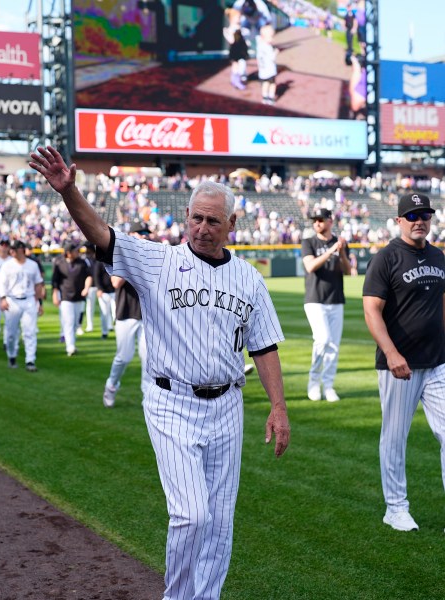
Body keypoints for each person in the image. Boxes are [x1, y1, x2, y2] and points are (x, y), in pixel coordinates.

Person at [29, 146, 290, 600]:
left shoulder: (249, 278)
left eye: (214, 221)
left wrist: (279, 407)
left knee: (220, 520)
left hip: (228, 404)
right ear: (186, 217)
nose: (204, 228)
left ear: (232, 226)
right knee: (192, 514)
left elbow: (264, 345)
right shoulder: (159, 261)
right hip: (172, 401)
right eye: (197, 219)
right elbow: (101, 232)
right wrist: (69, 192)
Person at [362, 192, 445, 532]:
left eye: (424, 214)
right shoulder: (386, 258)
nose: (419, 220)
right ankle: (395, 508)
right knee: (395, 439)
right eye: (412, 215)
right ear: (398, 220)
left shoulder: (439, 256)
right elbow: (371, 309)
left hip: (438, 363)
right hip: (400, 367)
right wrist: (392, 353)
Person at [301, 208, 351, 402]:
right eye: (315, 220)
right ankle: (313, 382)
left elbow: (347, 271)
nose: (317, 223)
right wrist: (331, 250)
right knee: (323, 339)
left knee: (334, 346)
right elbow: (310, 266)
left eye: (321, 220)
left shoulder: (340, 243)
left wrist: (342, 253)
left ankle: (328, 385)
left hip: (336, 298)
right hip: (315, 298)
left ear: (330, 221)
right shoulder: (309, 242)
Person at [102, 221, 153, 408]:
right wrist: (134, 260)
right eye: (141, 232)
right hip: (126, 312)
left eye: (146, 232)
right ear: (131, 234)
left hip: (147, 314)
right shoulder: (122, 255)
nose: (145, 235)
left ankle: (147, 397)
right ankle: (111, 386)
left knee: (148, 358)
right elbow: (116, 282)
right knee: (123, 356)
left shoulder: (152, 255)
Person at [0, 240, 44, 372]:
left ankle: (30, 360)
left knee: (30, 331)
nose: (11, 252)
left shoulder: (32, 265)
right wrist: (3, 298)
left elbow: (38, 283)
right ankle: (11, 356)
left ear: (21, 250)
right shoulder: (7, 265)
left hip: (28, 299)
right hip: (12, 300)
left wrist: (38, 302)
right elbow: (1, 283)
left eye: (14, 249)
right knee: (11, 333)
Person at [51, 240, 93, 357]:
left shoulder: (82, 263)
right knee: (68, 322)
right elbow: (55, 282)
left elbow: (89, 276)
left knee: (75, 324)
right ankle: (70, 347)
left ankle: (72, 343)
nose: (78, 252)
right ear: (68, 253)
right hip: (65, 297)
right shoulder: (59, 263)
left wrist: (86, 288)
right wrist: (55, 295)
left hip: (79, 297)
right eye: (75, 250)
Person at [256, 24, 278, 105]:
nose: (272, 39)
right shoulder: (268, 47)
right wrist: (275, 52)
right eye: (271, 36)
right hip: (270, 70)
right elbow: (272, 58)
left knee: (265, 83)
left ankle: (264, 96)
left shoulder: (260, 45)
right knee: (272, 84)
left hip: (262, 70)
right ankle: (271, 97)